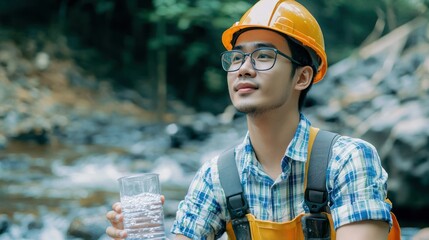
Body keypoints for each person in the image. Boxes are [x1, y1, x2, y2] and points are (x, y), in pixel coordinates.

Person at [106, 0, 397, 239]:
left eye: (263, 55)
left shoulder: (348, 160)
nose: (243, 68)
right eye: (236, 57)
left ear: (302, 76)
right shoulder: (217, 176)